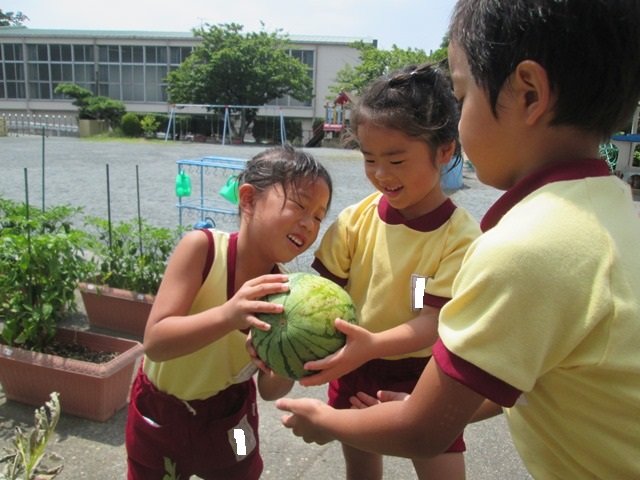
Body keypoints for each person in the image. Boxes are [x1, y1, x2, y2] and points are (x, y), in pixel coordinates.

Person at [275, 1, 640, 478]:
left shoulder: (525, 248)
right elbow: (530, 374)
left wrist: (326, 421)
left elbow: (423, 432)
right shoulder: (615, 216)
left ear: (529, 94)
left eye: (463, 96)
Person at [299, 63, 481, 479]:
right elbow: (317, 295)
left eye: (396, 159)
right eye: (369, 159)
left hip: (430, 375)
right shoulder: (354, 221)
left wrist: (371, 344)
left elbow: (433, 320)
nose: (381, 175)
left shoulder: (460, 238)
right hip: (355, 365)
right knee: (362, 470)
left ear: (445, 151)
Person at [125, 145, 333, 480]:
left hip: (232, 417)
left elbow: (269, 390)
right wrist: (228, 315)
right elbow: (156, 342)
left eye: (320, 216)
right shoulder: (203, 249)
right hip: (160, 417)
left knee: (243, 469)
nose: (309, 223)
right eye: (299, 206)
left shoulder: (287, 296)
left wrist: (294, 359)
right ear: (248, 200)